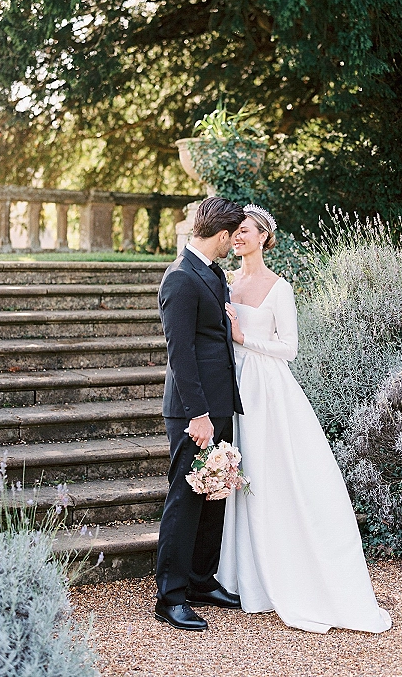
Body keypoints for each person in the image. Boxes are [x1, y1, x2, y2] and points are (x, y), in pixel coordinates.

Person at [216, 204, 392, 635]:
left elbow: (289, 348)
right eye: (234, 231)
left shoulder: (280, 288)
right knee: (240, 473)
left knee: (270, 473)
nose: (237, 237)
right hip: (230, 381)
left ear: (263, 237)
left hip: (266, 388)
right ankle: (242, 575)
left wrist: (245, 337)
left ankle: (287, 574)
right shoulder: (225, 280)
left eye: (244, 231)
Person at [155, 196, 246, 632]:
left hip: (220, 403)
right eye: (233, 236)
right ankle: (170, 596)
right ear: (222, 235)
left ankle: (200, 580)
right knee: (186, 499)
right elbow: (181, 354)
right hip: (194, 412)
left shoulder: (211, 272)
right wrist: (198, 415)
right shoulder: (180, 278)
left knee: (215, 494)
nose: (234, 244)